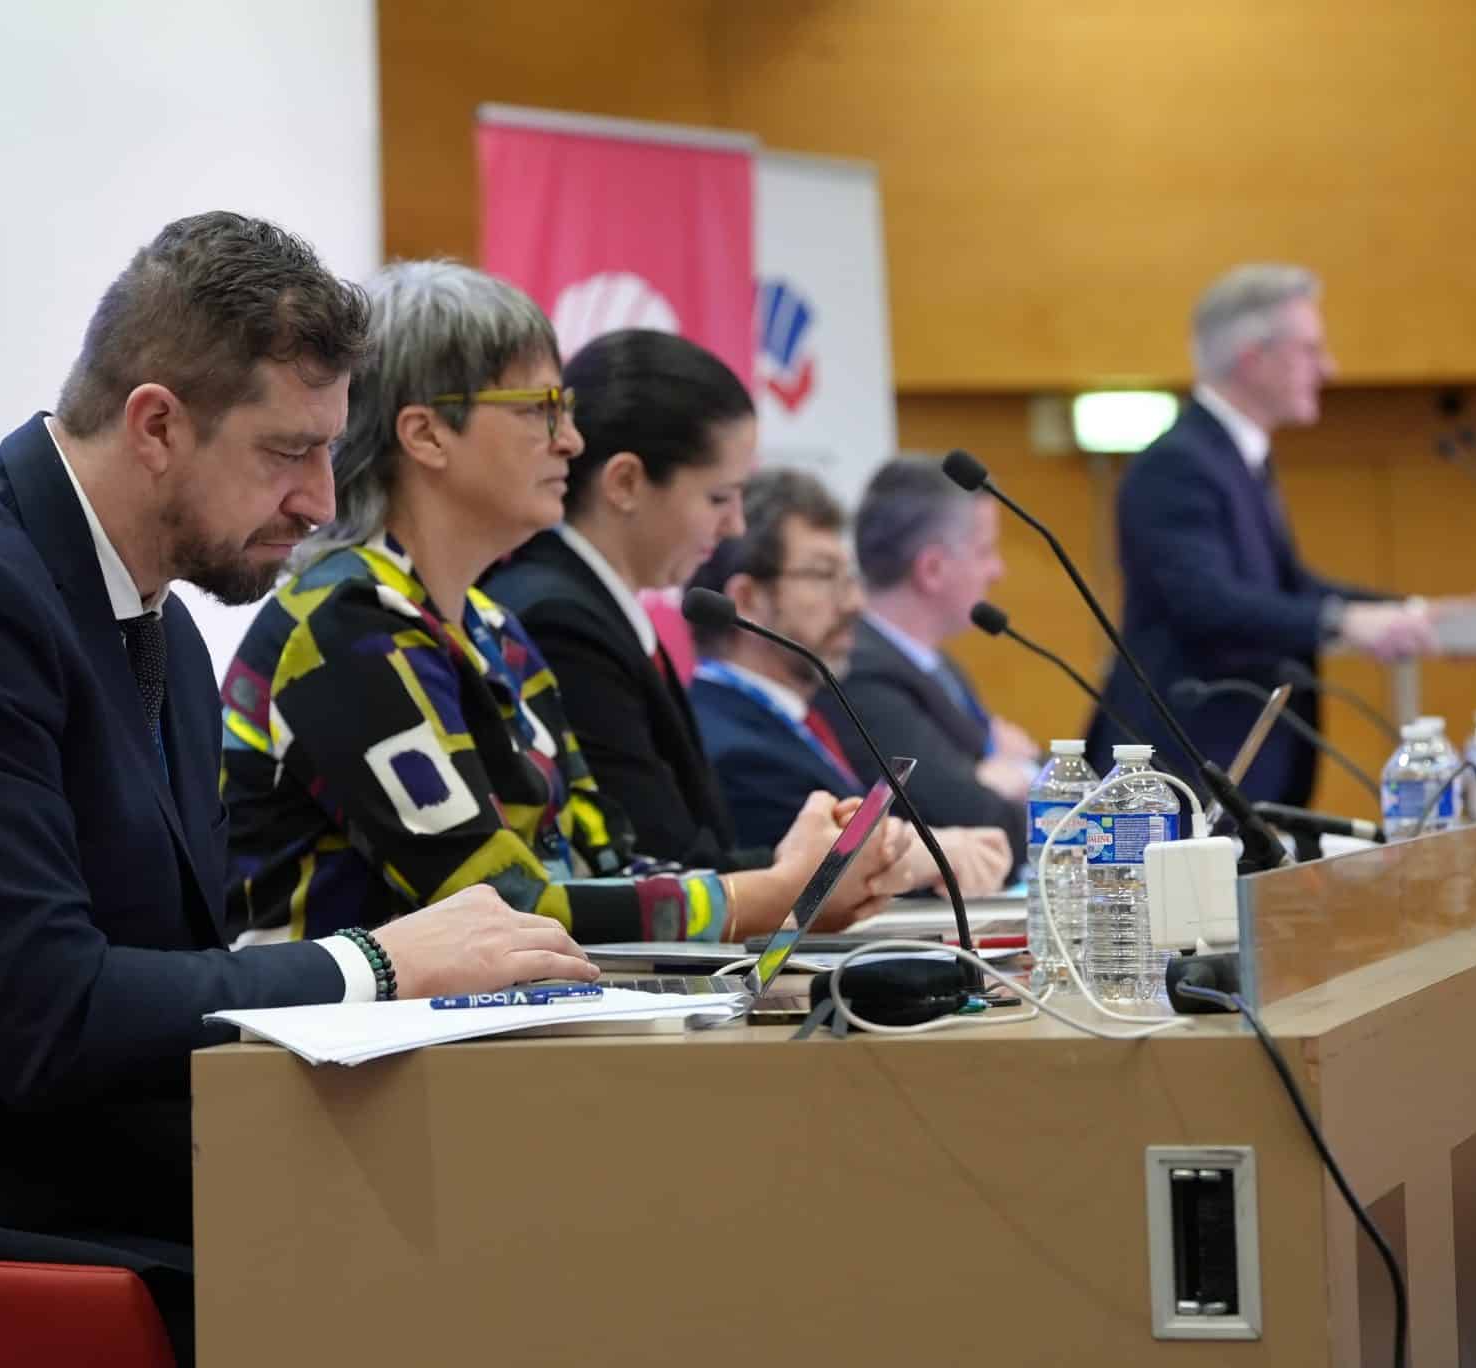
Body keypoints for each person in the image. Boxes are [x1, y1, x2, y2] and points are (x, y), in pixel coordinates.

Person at [0, 213, 594, 1366]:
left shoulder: (155, 625)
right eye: (288, 452)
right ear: (157, 424)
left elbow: (164, 972)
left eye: (330, 451)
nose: (320, 501)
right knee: (428, 1296)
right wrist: (379, 966)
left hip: (63, 1151)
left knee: (510, 1237)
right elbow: (48, 1017)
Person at [220, 262, 911, 950]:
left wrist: (795, 873)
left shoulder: (494, 631)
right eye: (538, 409)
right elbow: (502, 907)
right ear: (426, 435)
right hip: (334, 1021)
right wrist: (773, 893)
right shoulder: (344, 628)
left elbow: (602, 863)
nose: (571, 441)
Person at [1086, 264, 1441, 805]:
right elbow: (1208, 603)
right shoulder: (1178, 463)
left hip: (1235, 765)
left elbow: (1287, 586)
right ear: (1253, 359)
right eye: (1310, 350)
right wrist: (1343, 620)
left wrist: (1405, 612)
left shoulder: (1234, 457)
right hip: (1183, 770)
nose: (1328, 368)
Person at [483, 327, 771, 872]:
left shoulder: (592, 604)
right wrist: (814, 870)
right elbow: (652, 860)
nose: (736, 525)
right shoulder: (558, 623)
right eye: (719, 497)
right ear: (625, 483)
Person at [688, 469, 1013, 896]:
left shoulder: (789, 721)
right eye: (825, 576)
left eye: (850, 578)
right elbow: (819, 885)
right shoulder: (734, 746)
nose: (855, 603)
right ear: (748, 600)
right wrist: (930, 859)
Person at [832, 456, 1033, 875]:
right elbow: (973, 819)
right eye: (984, 551)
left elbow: (1010, 773)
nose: (998, 571)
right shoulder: (862, 676)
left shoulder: (938, 666)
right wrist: (986, 781)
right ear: (932, 569)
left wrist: (1004, 774)